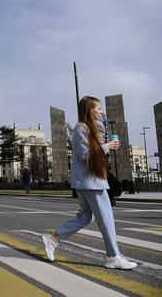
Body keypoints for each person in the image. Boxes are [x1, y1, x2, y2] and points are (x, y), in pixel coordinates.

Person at [41, 96, 136, 270]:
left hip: (88, 181)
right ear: (89, 110)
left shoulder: (87, 128)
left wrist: (105, 145)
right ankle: (113, 257)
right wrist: (106, 147)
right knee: (106, 219)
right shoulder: (81, 128)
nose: (101, 112)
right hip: (91, 182)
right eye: (98, 108)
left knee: (86, 217)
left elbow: (93, 153)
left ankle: (54, 239)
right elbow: (84, 156)